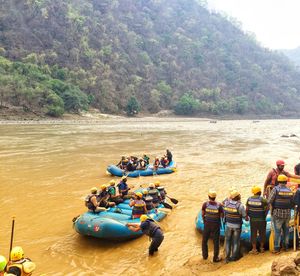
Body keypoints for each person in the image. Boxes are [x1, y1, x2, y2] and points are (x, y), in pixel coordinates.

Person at [268, 174, 294, 254]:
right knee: (286, 231)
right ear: (286, 182)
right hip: (287, 214)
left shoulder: (275, 189)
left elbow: (269, 201)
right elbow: (292, 202)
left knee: (277, 232)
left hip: (278, 214)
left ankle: (276, 249)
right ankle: (286, 247)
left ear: (278, 181)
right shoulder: (289, 190)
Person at [224, 190, 247, 263]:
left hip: (228, 225)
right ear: (238, 197)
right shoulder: (240, 206)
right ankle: (233, 258)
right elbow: (244, 217)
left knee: (227, 241)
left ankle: (227, 258)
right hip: (237, 226)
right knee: (236, 242)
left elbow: (223, 204)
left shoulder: (226, 203)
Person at [201, 190, 223, 263]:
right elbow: (221, 216)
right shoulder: (219, 205)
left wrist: (205, 222)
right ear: (215, 197)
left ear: (208, 196)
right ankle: (215, 258)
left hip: (207, 224)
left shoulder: (205, 204)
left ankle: (205, 256)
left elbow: (203, 214)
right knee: (216, 242)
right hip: (215, 225)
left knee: (204, 240)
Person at [246, 185, 268, 254]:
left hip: (253, 220)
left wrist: (247, 216)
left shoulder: (249, 199)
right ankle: (261, 248)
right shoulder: (263, 200)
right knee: (262, 234)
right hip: (261, 219)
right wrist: (264, 215)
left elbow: (247, 209)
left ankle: (254, 249)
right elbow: (267, 208)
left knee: (253, 234)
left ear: (253, 193)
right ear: (260, 192)